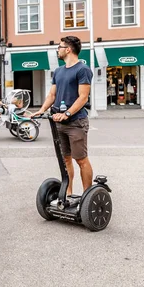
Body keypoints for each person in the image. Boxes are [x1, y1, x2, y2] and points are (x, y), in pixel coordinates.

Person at [32, 35, 93, 200]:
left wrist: (67, 113)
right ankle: (68, 192)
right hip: (59, 122)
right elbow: (52, 94)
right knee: (65, 159)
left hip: (76, 122)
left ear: (68, 49)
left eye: (59, 47)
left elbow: (83, 97)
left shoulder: (83, 69)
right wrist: (42, 109)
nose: (57, 50)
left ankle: (88, 197)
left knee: (81, 160)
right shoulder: (58, 71)